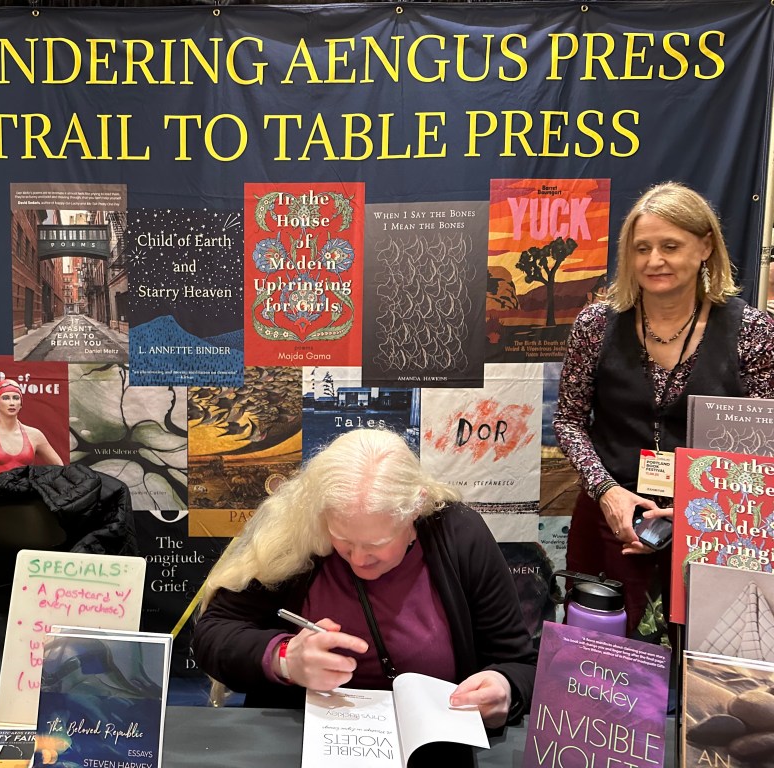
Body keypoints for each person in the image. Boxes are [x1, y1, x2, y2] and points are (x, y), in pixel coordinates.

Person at [192, 429, 536, 765]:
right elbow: (213, 635)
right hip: (297, 745)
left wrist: (504, 689)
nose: (358, 559)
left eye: (376, 545)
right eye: (342, 540)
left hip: (431, 751)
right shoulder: (297, 531)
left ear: (415, 507)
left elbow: (520, 663)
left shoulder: (459, 536)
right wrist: (286, 658)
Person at [553, 181, 774, 636]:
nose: (654, 261)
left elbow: (764, 447)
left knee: (700, 657)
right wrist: (607, 493)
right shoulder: (596, 325)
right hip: (610, 519)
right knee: (601, 670)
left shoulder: (752, 332)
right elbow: (569, 422)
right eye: (642, 248)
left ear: (705, 246)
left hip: (714, 528)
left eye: (670, 246)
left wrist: (697, 510)